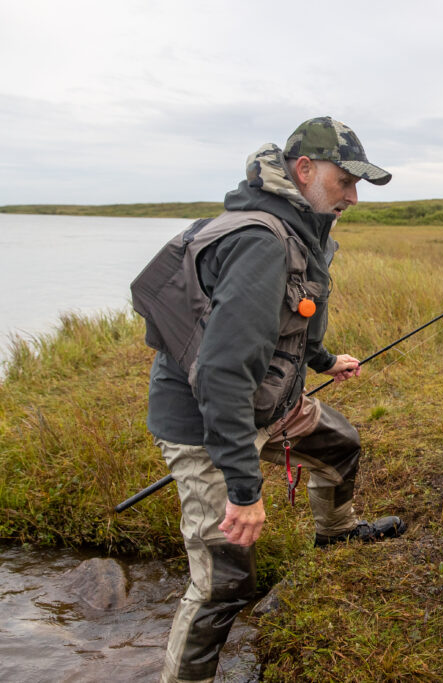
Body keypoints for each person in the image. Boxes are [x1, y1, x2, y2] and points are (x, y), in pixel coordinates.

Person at [131, 117, 406, 682]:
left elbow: (294, 319)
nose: (353, 196)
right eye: (345, 180)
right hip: (207, 424)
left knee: (339, 448)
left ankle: (335, 534)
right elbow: (223, 375)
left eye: (359, 184)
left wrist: (325, 362)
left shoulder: (304, 226)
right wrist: (242, 488)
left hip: (271, 402)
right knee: (225, 583)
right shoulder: (261, 241)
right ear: (304, 170)